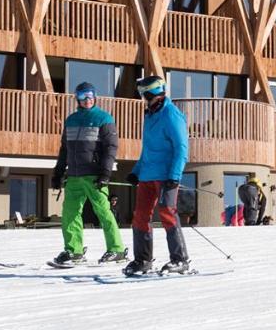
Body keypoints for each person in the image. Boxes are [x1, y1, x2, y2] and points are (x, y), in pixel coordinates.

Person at [50, 82, 127, 267]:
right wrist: (58, 172)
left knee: (103, 212)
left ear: (95, 97)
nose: (87, 100)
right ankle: (74, 251)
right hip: (74, 175)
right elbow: (64, 150)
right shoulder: (71, 120)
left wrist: (105, 173)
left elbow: (111, 148)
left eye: (90, 95)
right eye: (83, 96)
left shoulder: (104, 118)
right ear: (77, 98)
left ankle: (116, 249)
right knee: (70, 214)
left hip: (94, 176)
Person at [125, 75, 191, 276]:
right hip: (147, 176)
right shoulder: (150, 115)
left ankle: (180, 260)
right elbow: (148, 150)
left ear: (152, 92)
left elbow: (181, 148)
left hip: (165, 176)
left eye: (144, 93)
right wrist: (136, 172)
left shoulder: (171, 115)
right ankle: (143, 260)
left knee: (167, 214)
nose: (143, 98)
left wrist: (174, 175)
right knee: (140, 217)